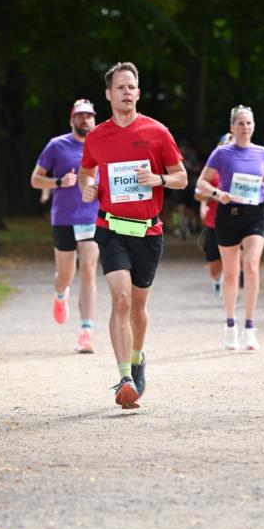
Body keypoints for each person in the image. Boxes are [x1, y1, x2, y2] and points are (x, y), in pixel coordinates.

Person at [78, 61, 187, 408]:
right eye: (120, 87)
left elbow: (182, 177)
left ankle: (138, 358)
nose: (127, 92)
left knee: (138, 307)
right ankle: (124, 377)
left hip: (148, 230)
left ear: (138, 93)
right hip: (110, 227)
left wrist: (159, 180)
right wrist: (87, 188)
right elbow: (86, 173)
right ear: (108, 95)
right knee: (121, 299)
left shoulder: (157, 132)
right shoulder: (97, 136)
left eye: (131, 87)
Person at [196, 105, 264, 351]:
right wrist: (217, 193)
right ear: (232, 127)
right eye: (240, 123)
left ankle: (250, 327)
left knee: (251, 266)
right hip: (228, 216)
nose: (245, 128)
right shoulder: (221, 153)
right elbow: (200, 182)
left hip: (255, 214)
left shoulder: (261, 152)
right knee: (231, 273)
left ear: (254, 126)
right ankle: (230, 324)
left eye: (249, 123)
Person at [31, 99, 100, 353]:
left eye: (89, 116)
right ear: (72, 120)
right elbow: (35, 180)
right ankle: (61, 295)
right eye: (80, 116)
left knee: (89, 272)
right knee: (65, 276)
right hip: (63, 218)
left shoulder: (102, 144)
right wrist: (59, 182)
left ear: (94, 119)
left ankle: (86, 331)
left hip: (92, 217)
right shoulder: (56, 146)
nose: (85, 120)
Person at [194, 134, 231, 299]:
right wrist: (212, 198)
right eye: (227, 144)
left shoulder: (244, 166)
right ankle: (218, 279)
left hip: (237, 222)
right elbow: (198, 195)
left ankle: (231, 286)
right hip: (214, 222)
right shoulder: (212, 170)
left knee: (237, 259)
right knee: (214, 268)